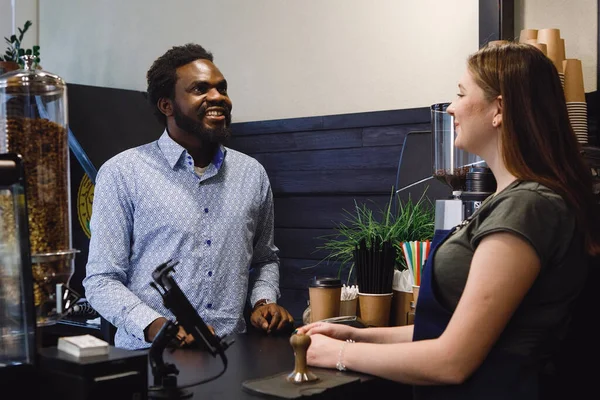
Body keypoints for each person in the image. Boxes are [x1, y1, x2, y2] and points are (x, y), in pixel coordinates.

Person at [297, 42, 600, 399]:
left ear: (499, 109)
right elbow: (446, 330)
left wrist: (341, 355)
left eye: (460, 93)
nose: (452, 107)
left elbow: (452, 360)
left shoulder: (527, 207)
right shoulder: (513, 201)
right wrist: (359, 334)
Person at [83, 43, 294, 350]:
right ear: (166, 105)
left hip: (233, 358)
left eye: (221, 88)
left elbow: (264, 259)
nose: (217, 97)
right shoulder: (122, 174)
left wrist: (264, 300)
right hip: (150, 363)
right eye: (200, 89)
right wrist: (159, 327)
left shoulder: (252, 174)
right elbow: (101, 281)